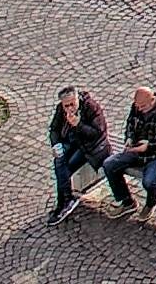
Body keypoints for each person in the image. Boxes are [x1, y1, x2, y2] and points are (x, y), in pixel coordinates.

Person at [101, 86, 156, 220]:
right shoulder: (137, 106)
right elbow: (130, 124)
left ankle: (151, 204)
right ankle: (127, 201)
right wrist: (129, 138)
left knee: (149, 181)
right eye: (137, 106)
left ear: (152, 100)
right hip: (138, 149)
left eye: (142, 106)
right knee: (109, 165)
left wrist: (148, 147)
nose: (139, 109)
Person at [48, 85, 112, 224]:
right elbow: (54, 129)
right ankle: (65, 200)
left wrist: (79, 125)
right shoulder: (61, 109)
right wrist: (56, 144)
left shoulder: (91, 107)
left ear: (78, 99)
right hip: (71, 142)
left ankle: (64, 201)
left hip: (90, 147)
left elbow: (98, 133)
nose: (70, 108)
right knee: (59, 160)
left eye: (72, 104)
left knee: (63, 166)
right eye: (66, 106)